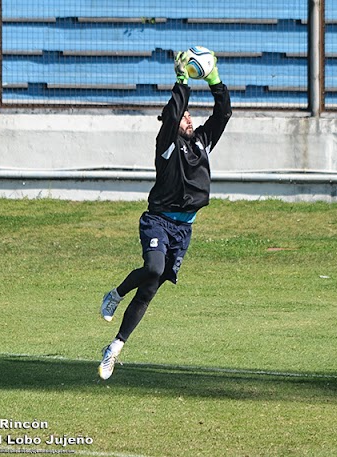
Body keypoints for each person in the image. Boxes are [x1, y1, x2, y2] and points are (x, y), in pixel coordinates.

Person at [98, 50, 232, 380]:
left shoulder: (202, 142)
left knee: (150, 288)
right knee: (153, 267)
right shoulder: (166, 144)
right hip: (158, 220)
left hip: (183, 230)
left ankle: (114, 347)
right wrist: (182, 79)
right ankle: (114, 294)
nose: (188, 120)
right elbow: (172, 114)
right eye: (183, 116)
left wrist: (213, 79)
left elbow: (224, 113)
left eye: (189, 117)